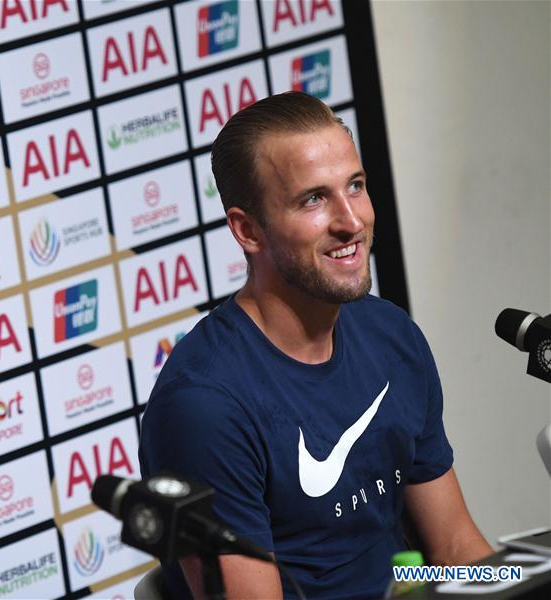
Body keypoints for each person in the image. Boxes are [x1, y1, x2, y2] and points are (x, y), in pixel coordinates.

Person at [139, 92, 492, 599]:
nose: (352, 221)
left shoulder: (391, 335)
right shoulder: (202, 407)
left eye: (356, 186)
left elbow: (455, 550)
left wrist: (519, 582)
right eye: (314, 199)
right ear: (248, 229)